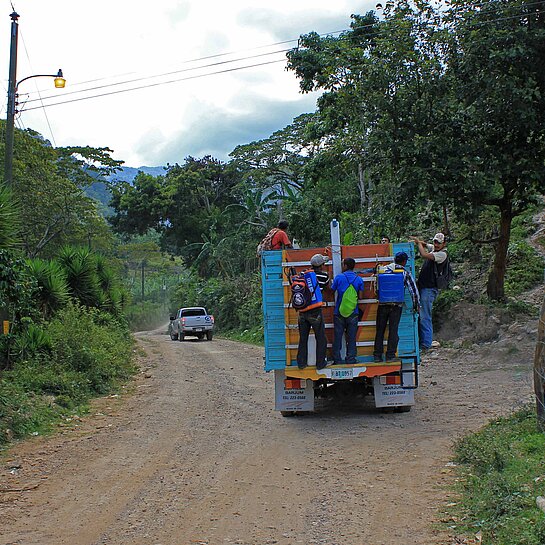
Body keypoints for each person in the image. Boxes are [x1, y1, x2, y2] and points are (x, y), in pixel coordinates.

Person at [373, 251, 420, 362]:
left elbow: (376, 288)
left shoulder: (383, 270)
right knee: (393, 330)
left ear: (394, 259)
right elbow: (413, 291)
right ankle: (390, 356)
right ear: (404, 261)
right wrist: (416, 305)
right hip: (396, 306)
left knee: (380, 331)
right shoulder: (404, 272)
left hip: (382, 305)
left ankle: (377, 356)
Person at [410, 232, 447, 350]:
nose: (436, 244)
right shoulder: (435, 249)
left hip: (429, 289)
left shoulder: (442, 255)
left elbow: (424, 254)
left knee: (425, 316)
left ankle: (426, 344)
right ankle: (424, 342)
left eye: (438, 243)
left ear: (444, 244)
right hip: (424, 287)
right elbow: (427, 245)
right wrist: (419, 241)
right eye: (435, 242)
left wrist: (419, 244)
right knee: (422, 315)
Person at [297, 254, 330, 370]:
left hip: (302, 311)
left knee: (303, 338)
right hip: (315, 311)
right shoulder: (324, 276)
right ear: (322, 265)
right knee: (320, 337)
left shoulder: (303, 274)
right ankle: (320, 363)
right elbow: (328, 289)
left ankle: (301, 363)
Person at [331, 257, 365, 365]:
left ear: (345, 266)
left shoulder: (339, 277)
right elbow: (360, 297)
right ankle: (351, 359)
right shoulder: (358, 279)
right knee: (351, 337)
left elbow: (332, 290)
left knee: (337, 336)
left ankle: (337, 359)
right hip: (353, 313)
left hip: (339, 312)